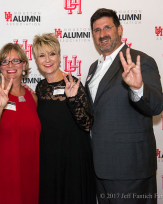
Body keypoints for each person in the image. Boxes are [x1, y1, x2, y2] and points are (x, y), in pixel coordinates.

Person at [86, 8, 163, 204]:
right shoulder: (93, 68)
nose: (102, 34)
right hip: (100, 168)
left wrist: (138, 88)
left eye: (107, 28)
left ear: (120, 29)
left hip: (130, 169)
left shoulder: (140, 61)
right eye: (96, 30)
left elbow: (156, 106)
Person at [32, 33, 96, 204]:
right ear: (36, 60)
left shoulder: (73, 83)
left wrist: (73, 99)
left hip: (74, 158)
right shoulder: (40, 87)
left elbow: (88, 124)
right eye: (42, 55)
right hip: (50, 160)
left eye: (52, 54)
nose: (47, 59)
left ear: (59, 57)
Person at [0, 43, 40, 204]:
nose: (10, 65)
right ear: (0, 67)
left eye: (15, 60)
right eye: (5, 61)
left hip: (28, 175)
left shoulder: (32, 97)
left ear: (24, 64)